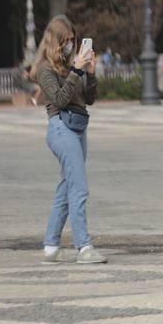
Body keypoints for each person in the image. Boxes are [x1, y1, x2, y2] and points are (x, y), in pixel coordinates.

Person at [35, 15, 106, 265]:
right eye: (65, 41)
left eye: (73, 40)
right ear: (54, 41)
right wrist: (76, 69)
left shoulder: (70, 66)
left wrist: (90, 73)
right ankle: (84, 246)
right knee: (79, 188)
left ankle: (51, 246)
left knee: (67, 189)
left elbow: (89, 99)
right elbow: (59, 100)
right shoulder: (45, 69)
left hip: (78, 127)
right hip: (60, 128)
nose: (70, 44)